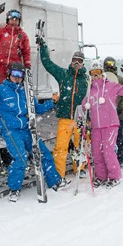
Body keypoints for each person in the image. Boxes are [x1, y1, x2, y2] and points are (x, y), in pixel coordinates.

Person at [0, 62, 66, 202]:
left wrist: (52, 102)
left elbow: (38, 109)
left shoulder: (26, 92)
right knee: (21, 158)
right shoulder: (0, 90)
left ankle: (55, 182)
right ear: (9, 74)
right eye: (15, 74)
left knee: (44, 154)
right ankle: (14, 189)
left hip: (27, 129)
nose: (17, 78)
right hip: (10, 130)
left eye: (20, 75)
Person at [38, 37, 88, 184]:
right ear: (71, 61)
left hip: (80, 119)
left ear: (83, 63)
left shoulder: (86, 80)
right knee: (61, 148)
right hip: (65, 118)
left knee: (80, 146)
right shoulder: (63, 75)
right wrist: (43, 48)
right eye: (75, 60)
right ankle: (59, 174)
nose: (76, 63)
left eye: (79, 61)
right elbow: (48, 64)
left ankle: (80, 167)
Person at [82, 60, 123, 188]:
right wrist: (82, 118)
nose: (96, 76)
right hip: (96, 127)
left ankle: (114, 176)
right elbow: (83, 106)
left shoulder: (110, 86)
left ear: (102, 73)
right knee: (97, 153)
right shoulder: (90, 91)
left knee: (108, 151)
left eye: (98, 73)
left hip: (110, 124)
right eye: (93, 73)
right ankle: (101, 176)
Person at [103, 56, 123, 169]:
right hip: (105, 115)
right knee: (107, 139)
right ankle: (108, 160)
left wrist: (121, 107)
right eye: (108, 64)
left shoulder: (120, 79)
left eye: (112, 63)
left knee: (119, 138)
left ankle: (120, 159)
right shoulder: (102, 79)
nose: (110, 66)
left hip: (118, 114)